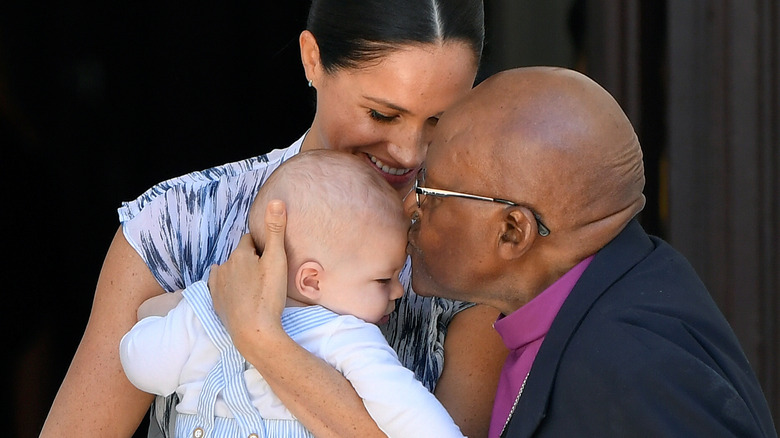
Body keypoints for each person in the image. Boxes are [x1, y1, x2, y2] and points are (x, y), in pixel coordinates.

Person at [211, 66, 777, 437]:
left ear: (512, 232)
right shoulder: (602, 298)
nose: (408, 208)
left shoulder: (629, 368)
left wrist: (262, 341)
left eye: (429, 191)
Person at [41, 1, 507, 437]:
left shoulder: (473, 255)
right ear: (312, 59)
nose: (409, 153)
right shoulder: (179, 223)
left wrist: (259, 337)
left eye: (439, 120)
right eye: (382, 114)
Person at [119, 150, 466, 438]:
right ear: (311, 281)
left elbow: (142, 366)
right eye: (382, 280)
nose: (399, 290)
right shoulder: (344, 336)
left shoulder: (208, 312)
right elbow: (420, 423)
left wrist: (190, 304)